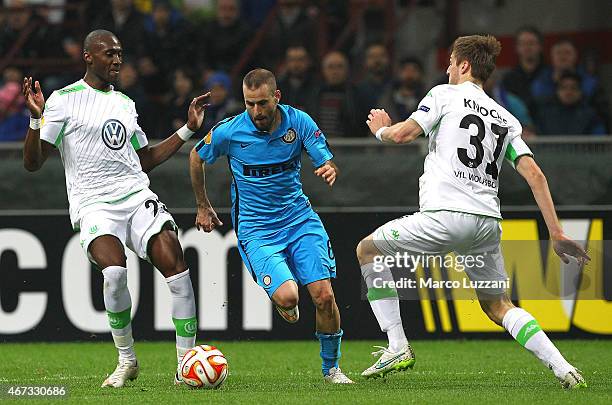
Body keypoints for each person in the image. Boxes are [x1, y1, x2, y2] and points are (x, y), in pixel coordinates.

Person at [357, 34, 590, 389]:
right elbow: (535, 174)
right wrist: (556, 232)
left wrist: (381, 130)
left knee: (366, 250)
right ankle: (564, 369)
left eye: (451, 62)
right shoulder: (506, 118)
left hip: (445, 216)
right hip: (486, 223)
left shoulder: (443, 94)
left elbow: (404, 135)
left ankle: (397, 345)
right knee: (498, 306)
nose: (447, 69)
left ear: (464, 65)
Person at [22, 29, 208, 388]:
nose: (117, 60)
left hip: (136, 197)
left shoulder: (125, 103)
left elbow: (144, 159)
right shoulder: (63, 100)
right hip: (93, 205)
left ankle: (185, 365)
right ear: (88, 56)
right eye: (109, 54)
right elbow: (32, 163)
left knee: (177, 267)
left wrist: (187, 129)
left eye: (120, 54)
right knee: (114, 274)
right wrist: (35, 119)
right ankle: (127, 360)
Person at [189, 68, 353, 384]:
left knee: (324, 296)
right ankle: (283, 300)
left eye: (262, 103)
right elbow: (196, 157)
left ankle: (331, 369)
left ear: (276, 97)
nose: (256, 111)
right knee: (289, 297)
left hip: (299, 220)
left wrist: (328, 168)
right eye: (249, 104)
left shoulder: (299, 122)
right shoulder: (230, 131)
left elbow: (325, 159)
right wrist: (202, 204)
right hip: (256, 230)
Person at [535, 71, 606, 135]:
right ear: (557, 91)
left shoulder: (591, 116)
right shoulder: (545, 115)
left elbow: (599, 141)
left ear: (580, 92)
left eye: (573, 88)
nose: (568, 92)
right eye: (564, 87)